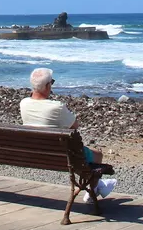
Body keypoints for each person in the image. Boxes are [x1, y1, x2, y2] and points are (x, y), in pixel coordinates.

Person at [20, 68, 116, 198]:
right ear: (48, 86)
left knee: (81, 155)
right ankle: (93, 192)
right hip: (63, 156)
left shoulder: (24, 103)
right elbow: (75, 125)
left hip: (36, 153)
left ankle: (99, 187)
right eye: (52, 82)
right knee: (97, 155)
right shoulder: (56, 107)